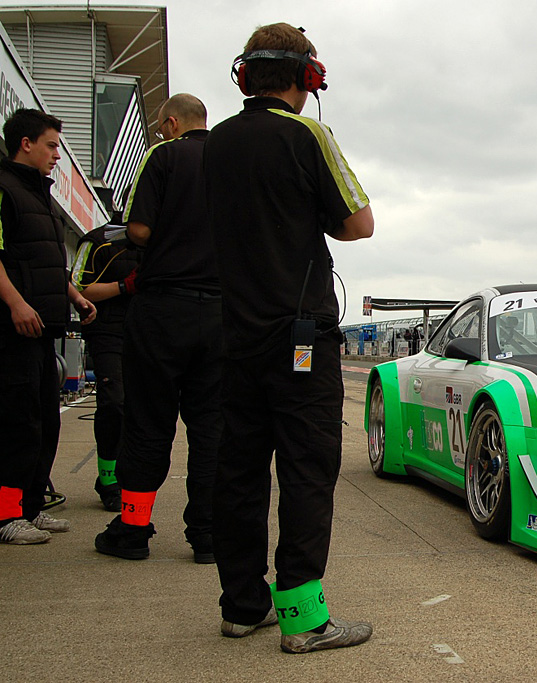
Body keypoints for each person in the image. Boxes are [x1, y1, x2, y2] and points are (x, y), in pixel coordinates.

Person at [204, 23, 374, 653]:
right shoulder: (308, 134)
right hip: (300, 336)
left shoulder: (214, 143)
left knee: (239, 470)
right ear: (309, 78)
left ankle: (242, 606)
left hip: (234, 334)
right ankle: (303, 618)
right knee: (307, 468)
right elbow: (359, 223)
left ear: (244, 76)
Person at [94, 94, 222, 563]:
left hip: (163, 309)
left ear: (171, 123)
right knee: (212, 427)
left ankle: (132, 529)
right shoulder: (230, 159)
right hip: (220, 314)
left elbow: (139, 229)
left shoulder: (163, 155)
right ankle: (207, 534)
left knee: (148, 421)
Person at [0, 108, 96, 545]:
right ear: (26, 143)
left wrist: (74, 295)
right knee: (15, 423)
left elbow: (47, 261)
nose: (57, 154)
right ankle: (6, 516)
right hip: (11, 329)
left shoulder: (39, 194)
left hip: (43, 328)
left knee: (44, 421)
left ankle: (31, 506)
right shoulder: (4, 189)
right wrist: (16, 303)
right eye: (52, 145)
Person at [71, 214, 142, 511]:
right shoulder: (98, 240)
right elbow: (77, 287)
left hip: (147, 334)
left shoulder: (165, 241)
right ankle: (108, 478)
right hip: (108, 333)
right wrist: (125, 286)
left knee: (141, 410)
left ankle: (131, 477)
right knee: (114, 402)